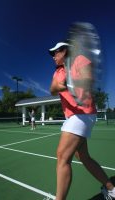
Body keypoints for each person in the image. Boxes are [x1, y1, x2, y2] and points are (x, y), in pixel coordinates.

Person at [48, 41, 115, 200]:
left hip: (83, 114)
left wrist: (76, 83)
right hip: (72, 117)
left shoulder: (79, 60)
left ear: (64, 51)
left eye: (55, 53)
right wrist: (64, 87)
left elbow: (87, 79)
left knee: (62, 156)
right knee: (83, 157)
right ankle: (112, 189)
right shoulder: (58, 72)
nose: (53, 57)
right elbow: (52, 89)